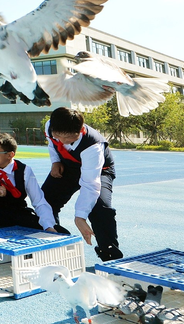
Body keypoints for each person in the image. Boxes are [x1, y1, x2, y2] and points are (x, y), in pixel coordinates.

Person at [41, 107, 123, 262]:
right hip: (69, 166)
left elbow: (90, 184)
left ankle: (110, 255)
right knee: (44, 201)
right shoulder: (50, 126)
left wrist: (80, 217)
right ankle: (54, 241)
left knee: (100, 208)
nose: (62, 141)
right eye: (58, 136)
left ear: (80, 130)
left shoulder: (93, 146)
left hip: (99, 171)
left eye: (68, 138)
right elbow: (52, 144)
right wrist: (55, 161)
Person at [0, 133, 57, 233]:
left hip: (17, 213)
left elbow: (39, 201)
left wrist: (48, 226)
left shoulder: (24, 170)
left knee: (61, 232)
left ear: (10, 155)